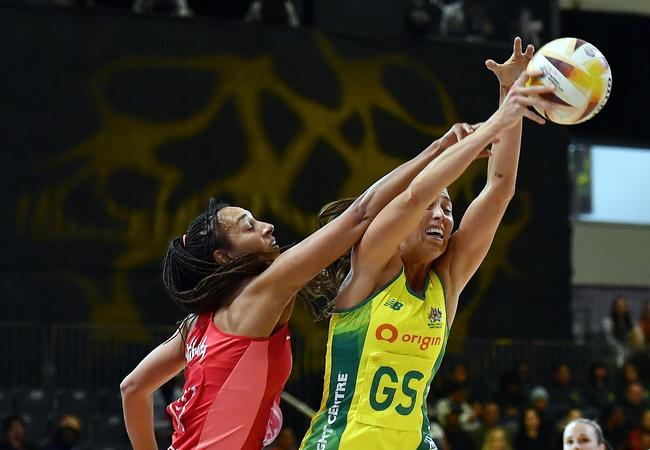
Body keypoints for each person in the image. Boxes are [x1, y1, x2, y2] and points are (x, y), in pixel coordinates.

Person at [120, 102, 495, 448]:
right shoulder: (262, 291)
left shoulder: (196, 326)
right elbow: (361, 215)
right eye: (249, 227)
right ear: (223, 257)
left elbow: (133, 387)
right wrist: (439, 148)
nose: (266, 227)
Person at [300, 37, 555, 450]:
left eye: (448, 209)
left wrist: (512, 93)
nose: (440, 215)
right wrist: (491, 125)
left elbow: (500, 188)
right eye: (432, 210)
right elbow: (416, 195)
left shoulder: (445, 284)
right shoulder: (371, 266)